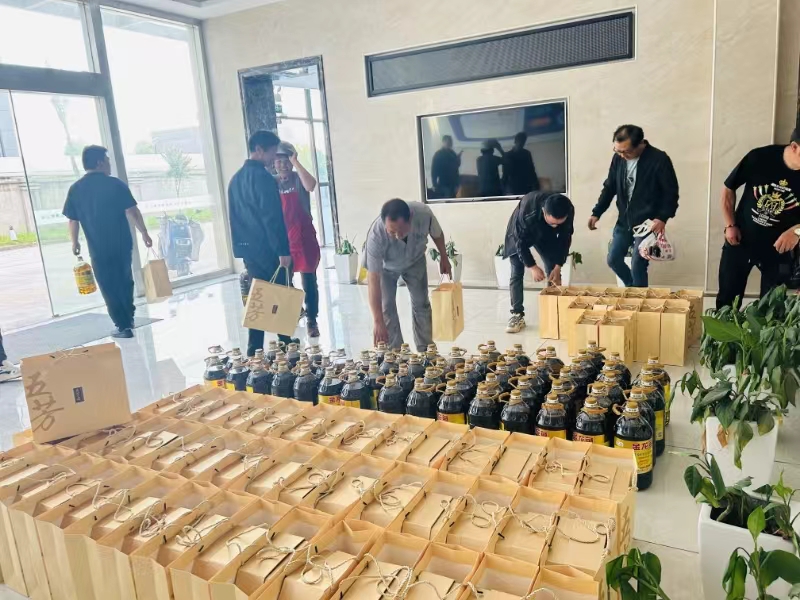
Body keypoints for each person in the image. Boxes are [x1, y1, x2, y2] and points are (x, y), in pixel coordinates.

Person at [64, 145, 152, 339]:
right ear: (100, 163)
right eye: (107, 160)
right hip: (122, 244)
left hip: (98, 248)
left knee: (108, 285)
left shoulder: (76, 189)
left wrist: (74, 242)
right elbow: (133, 211)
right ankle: (129, 318)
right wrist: (144, 233)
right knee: (124, 280)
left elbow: (73, 220)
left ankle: (122, 325)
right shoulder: (115, 184)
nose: (109, 164)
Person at [715, 128, 800, 308]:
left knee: (771, 308)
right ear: (794, 147)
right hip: (741, 239)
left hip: (780, 249)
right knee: (726, 301)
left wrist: (796, 231)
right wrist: (730, 225)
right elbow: (728, 188)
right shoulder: (760, 157)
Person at [229, 130, 295, 357]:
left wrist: (241, 249)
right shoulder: (263, 178)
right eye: (272, 152)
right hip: (268, 249)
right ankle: (286, 344)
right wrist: (283, 251)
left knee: (259, 296)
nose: (274, 158)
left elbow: (234, 218)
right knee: (278, 294)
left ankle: (254, 348)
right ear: (259, 149)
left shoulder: (235, 179)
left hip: (249, 250)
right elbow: (272, 218)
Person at [588, 125, 679, 287]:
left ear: (640, 144)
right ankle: (635, 291)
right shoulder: (618, 159)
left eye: (626, 152)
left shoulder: (659, 159)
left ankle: (637, 296)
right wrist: (597, 212)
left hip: (648, 222)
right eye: (618, 151)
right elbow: (610, 187)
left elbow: (670, 193)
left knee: (638, 264)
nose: (622, 155)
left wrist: (662, 218)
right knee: (613, 259)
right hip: (625, 221)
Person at [365, 199, 451, 350]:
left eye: (402, 230)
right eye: (392, 232)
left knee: (421, 303)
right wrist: (377, 321)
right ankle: (397, 354)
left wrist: (444, 256)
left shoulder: (423, 214)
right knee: (387, 307)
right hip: (386, 269)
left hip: (415, 261)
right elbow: (373, 279)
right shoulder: (376, 235)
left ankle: (426, 350)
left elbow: (437, 234)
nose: (398, 236)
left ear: (410, 217)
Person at [503, 192, 575, 333]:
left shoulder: (568, 208)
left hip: (544, 232)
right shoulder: (527, 212)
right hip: (520, 231)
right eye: (553, 223)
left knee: (552, 268)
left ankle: (554, 311)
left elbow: (565, 238)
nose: (556, 226)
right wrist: (532, 267)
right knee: (517, 269)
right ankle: (517, 314)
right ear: (544, 211)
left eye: (559, 223)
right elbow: (520, 243)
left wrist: (558, 266)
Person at [274, 141, 322, 338]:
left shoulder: (298, 178)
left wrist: (296, 162)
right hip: (284, 239)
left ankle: (312, 320)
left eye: (286, 160)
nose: (283, 165)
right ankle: (296, 310)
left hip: (305, 237)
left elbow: (311, 185)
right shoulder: (272, 182)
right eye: (279, 161)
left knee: (309, 281)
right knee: (285, 280)